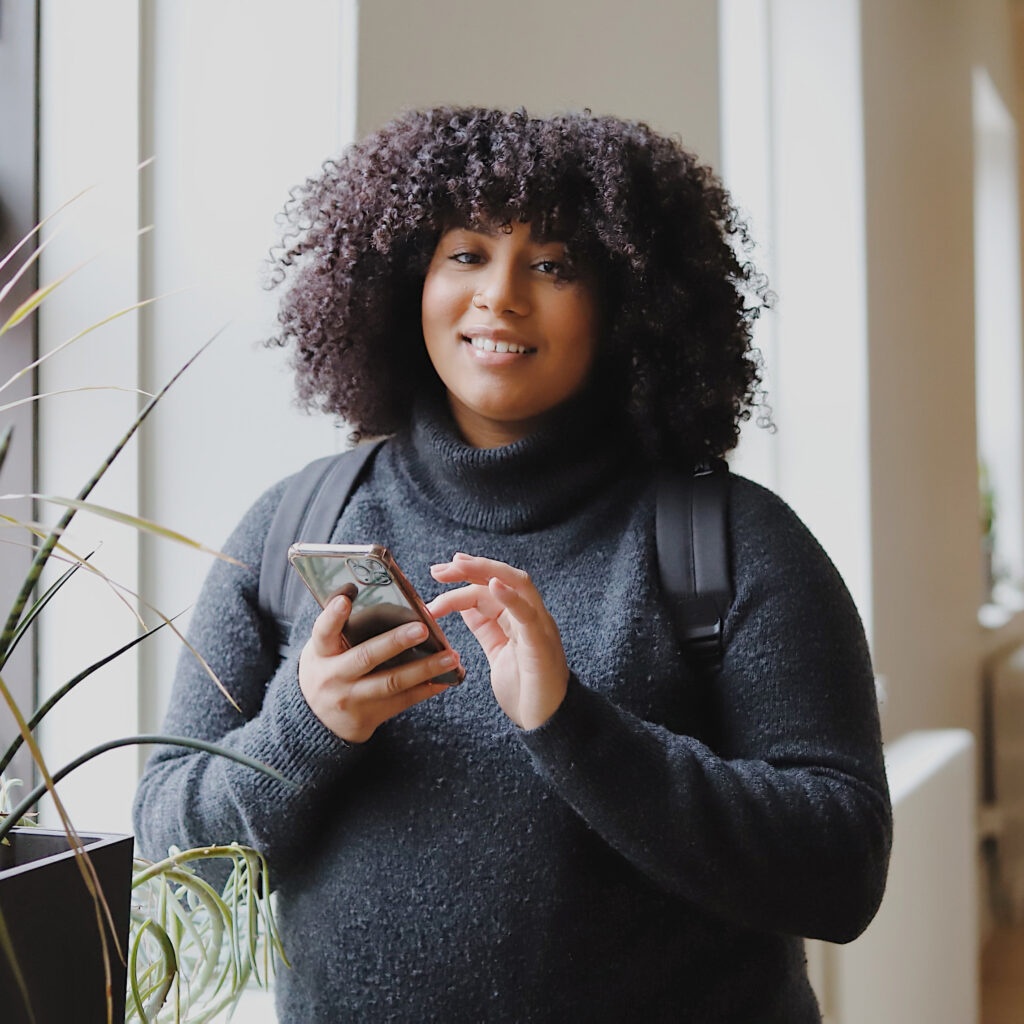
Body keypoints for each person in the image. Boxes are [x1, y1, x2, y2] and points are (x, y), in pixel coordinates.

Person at [133, 106, 892, 1023]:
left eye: (554, 265)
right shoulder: (296, 521)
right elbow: (167, 838)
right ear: (405, 278)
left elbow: (842, 872)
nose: (500, 295)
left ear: (629, 303)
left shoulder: (729, 540)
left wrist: (575, 727)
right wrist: (308, 727)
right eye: (467, 254)